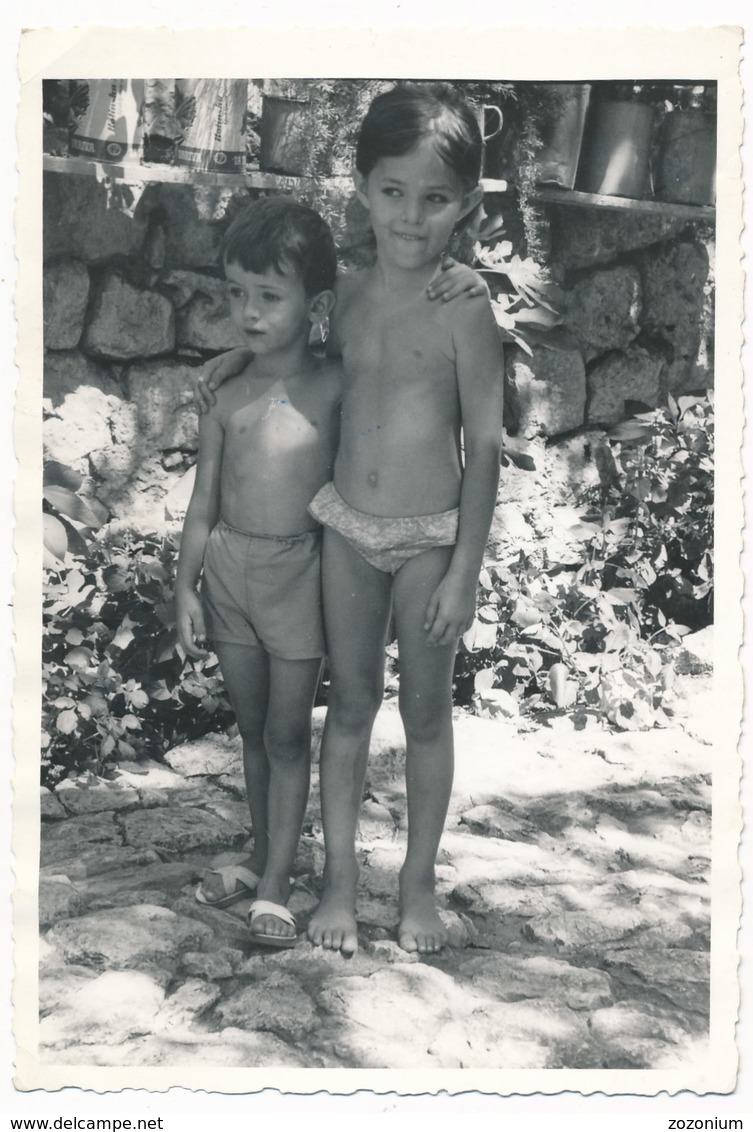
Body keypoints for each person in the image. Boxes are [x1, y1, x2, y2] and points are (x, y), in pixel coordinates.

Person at [196, 83, 504, 956]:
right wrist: (235, 352)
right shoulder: (352, 292)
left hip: (428, 536)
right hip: (346, 527)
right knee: (350, 707)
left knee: (426, 714)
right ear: (363, 188)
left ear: (465, 205)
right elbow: (300, 348)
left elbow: (482, 446)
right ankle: (335, 884)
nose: (411, 217)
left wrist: (463, 569)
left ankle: (414, 888)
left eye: (435, 199)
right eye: (393, 193)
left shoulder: (464, 305)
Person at [176, 196, 342, 948]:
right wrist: (184, 586)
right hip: (229, 569)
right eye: (236, 293)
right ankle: (260, 853)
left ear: (314, 304)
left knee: (285, 735)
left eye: (269, 296)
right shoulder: (225, 392)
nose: (247, 312)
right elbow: (202, 500)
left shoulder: (337, 386)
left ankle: (278, 882)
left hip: (298, 574)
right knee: (249, 728)